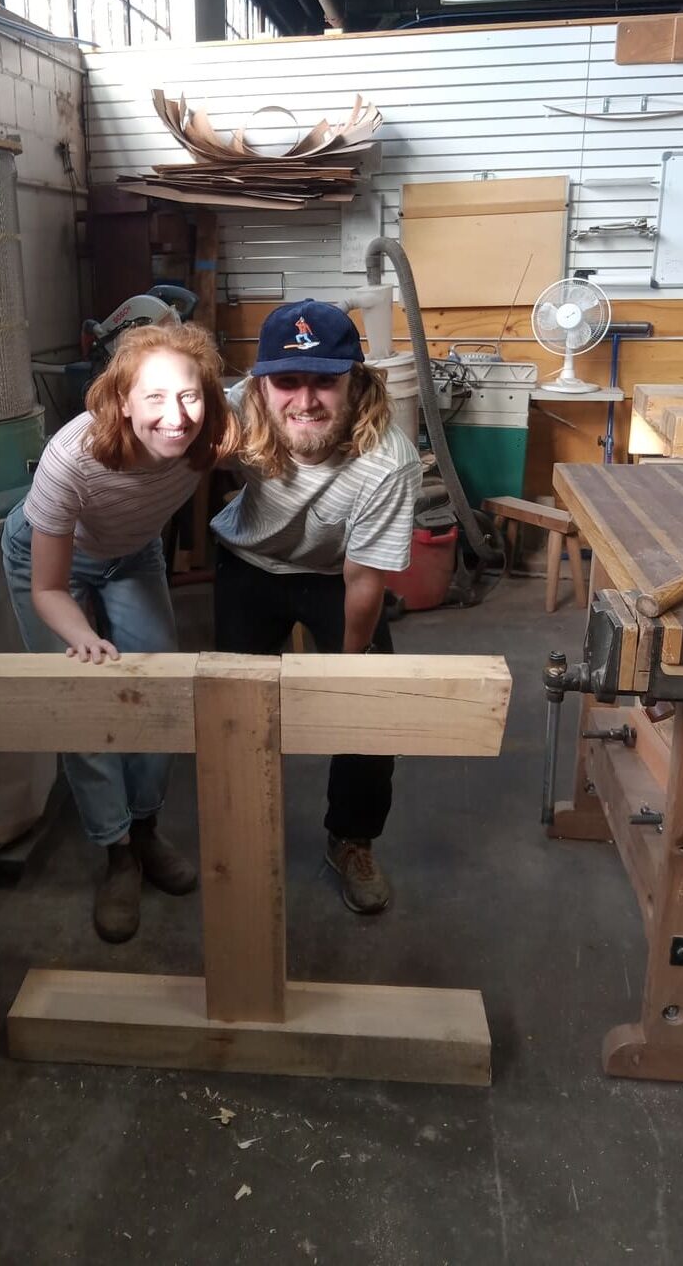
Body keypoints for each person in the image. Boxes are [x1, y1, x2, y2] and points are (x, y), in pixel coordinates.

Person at [2, 323, 238, 943]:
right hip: (49, 561)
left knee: (157, 691)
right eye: (154, 397)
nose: (176, 417)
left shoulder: (215, 429)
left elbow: (285, 413)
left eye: (189, 396)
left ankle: (146, 828)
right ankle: (117, 854)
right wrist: (81, 635)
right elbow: (48, 589)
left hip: (132, 553)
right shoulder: (73, 458)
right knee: (83, 700)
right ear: (122, 401)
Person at [211, 299, 422, 915]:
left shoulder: (388, 461)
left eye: (324, 381)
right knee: (233, 705)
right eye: (287, 381)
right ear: (260, 385)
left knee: (369, 705)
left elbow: (363, 578)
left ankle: (351, 839)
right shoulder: (231, 412)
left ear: (355, 381)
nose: (305, 401)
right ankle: (241, 830)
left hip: (335, 577)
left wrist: (346, 673)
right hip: (249, 563)